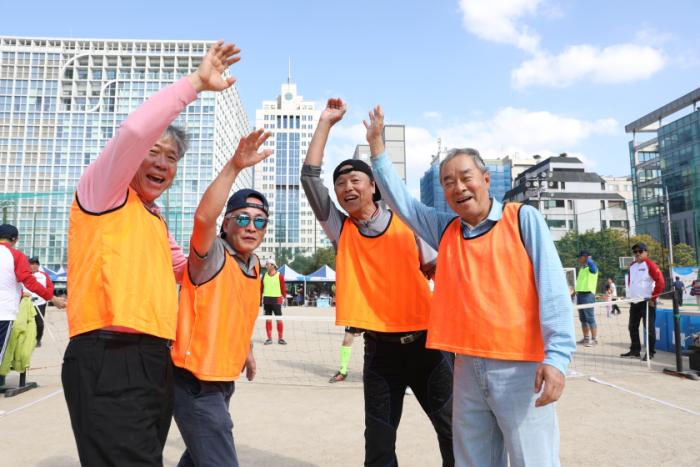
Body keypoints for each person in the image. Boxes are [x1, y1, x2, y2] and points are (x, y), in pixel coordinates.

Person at [62, 41, 241, 466]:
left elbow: (192, 269)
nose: (162, 162)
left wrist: (233, 183)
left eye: (171, 157)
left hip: (154, 356)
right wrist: (195, 84)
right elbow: (133, 133)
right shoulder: (103, 193)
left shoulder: (153, 218)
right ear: (129, 161)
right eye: (153, 153)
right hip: (110, 353)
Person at [367, 106, 575, 467]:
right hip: (465, 367)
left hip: (520, 367)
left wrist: (557, 359)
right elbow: (403, 204)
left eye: (466, 177)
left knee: (533, 459)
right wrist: (377, 149)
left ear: (486, 179)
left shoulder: (522, 219)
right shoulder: (446, 230)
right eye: (448, 182)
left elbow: (553, 292)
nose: (458, 187)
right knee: (472, 460)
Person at [301, 98, 454, 466]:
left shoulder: (409, 222)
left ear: (373, 186)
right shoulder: (341, 229)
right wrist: (325, 123)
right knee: (379, 442)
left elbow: (437, 271)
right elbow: (309, 180)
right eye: (340, 184)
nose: (346, 187)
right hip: (380, 352)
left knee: (452, 430)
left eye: (355, 180)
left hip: (428, 346)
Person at [171, 129, 271, 467]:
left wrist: (247, 350)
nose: (251, 226)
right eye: (242, 218)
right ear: (226, 224)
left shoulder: (255, 266)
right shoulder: (212, 254)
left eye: (260, 221)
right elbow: (203, 217)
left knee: (198, 457)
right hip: (194, 381)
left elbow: (239, 314)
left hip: (223, 378)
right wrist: (235, 166)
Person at [0, 224, 65, 387]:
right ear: (15, 239)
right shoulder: (16, 255)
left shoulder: (41, 273)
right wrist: (53, 298)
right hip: (4, 312)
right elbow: (29, 281)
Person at [622, 242, 665, 361]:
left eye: (640, 251)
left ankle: (650, 353)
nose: (637, 253)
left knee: (649, 329)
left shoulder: (650, 264)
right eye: (635, 252)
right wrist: (631, 296)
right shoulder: (632, 265)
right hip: (634, 301)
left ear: (646, 252)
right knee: (632, 327)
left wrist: (653, 298)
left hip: (647, 302)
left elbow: (661, 282)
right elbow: (631, 282)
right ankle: (635, 350)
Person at [24, 257, 54, 347]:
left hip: (40, 303)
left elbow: (50, 287)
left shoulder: (44, 275)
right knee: (26, 322)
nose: (34, 266)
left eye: (36, 264)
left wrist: (47, 296)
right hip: (26, 302)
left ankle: (38, 339)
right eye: (32, 264)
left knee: (39, 323)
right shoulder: (25, 275)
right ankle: (26, 339)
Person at [575, 250, 598, 346]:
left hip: (588, 295)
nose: (578, 259)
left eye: (579, 257)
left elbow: (593, 268)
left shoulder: (592, 267)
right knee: (583, 318)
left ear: (585, 257)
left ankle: (594, 339)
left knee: (590, 318)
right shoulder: (582, 268)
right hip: (580, 294)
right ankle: (586, 338)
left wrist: (589, 259)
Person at [260, 261, 287, 345]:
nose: (266, 266)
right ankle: (269, 338)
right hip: (267, 300)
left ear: (273, 265)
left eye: (267, 264)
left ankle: (280, 338)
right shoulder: (264, 275)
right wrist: (259, 298)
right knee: (268, 320)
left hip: (276, 300)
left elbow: (283, 288)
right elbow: (261, 288)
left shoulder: (279, 276)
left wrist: (284, 297)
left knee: (279, 320)